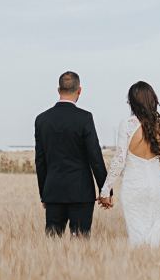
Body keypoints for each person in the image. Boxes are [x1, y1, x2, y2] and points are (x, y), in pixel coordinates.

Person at [98, 81, 160, 246]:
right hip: (156, 188)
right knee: (156, 234)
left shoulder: (128, 125)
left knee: (137, 237)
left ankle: (140, 260)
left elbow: (119, 160)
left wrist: (105, 190)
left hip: (133, 187)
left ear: (132, 102)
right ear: (153, 100)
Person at [34, 71, 109, 237]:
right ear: (79, 90)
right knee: (80, 243)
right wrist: (105, 191)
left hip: (53, 191)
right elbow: (95, 157)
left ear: (58, 90)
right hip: (81, 192)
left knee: (52, 245)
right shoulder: (84, 118)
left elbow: (40, 161)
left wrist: (44, 194)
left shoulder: (42, 120)